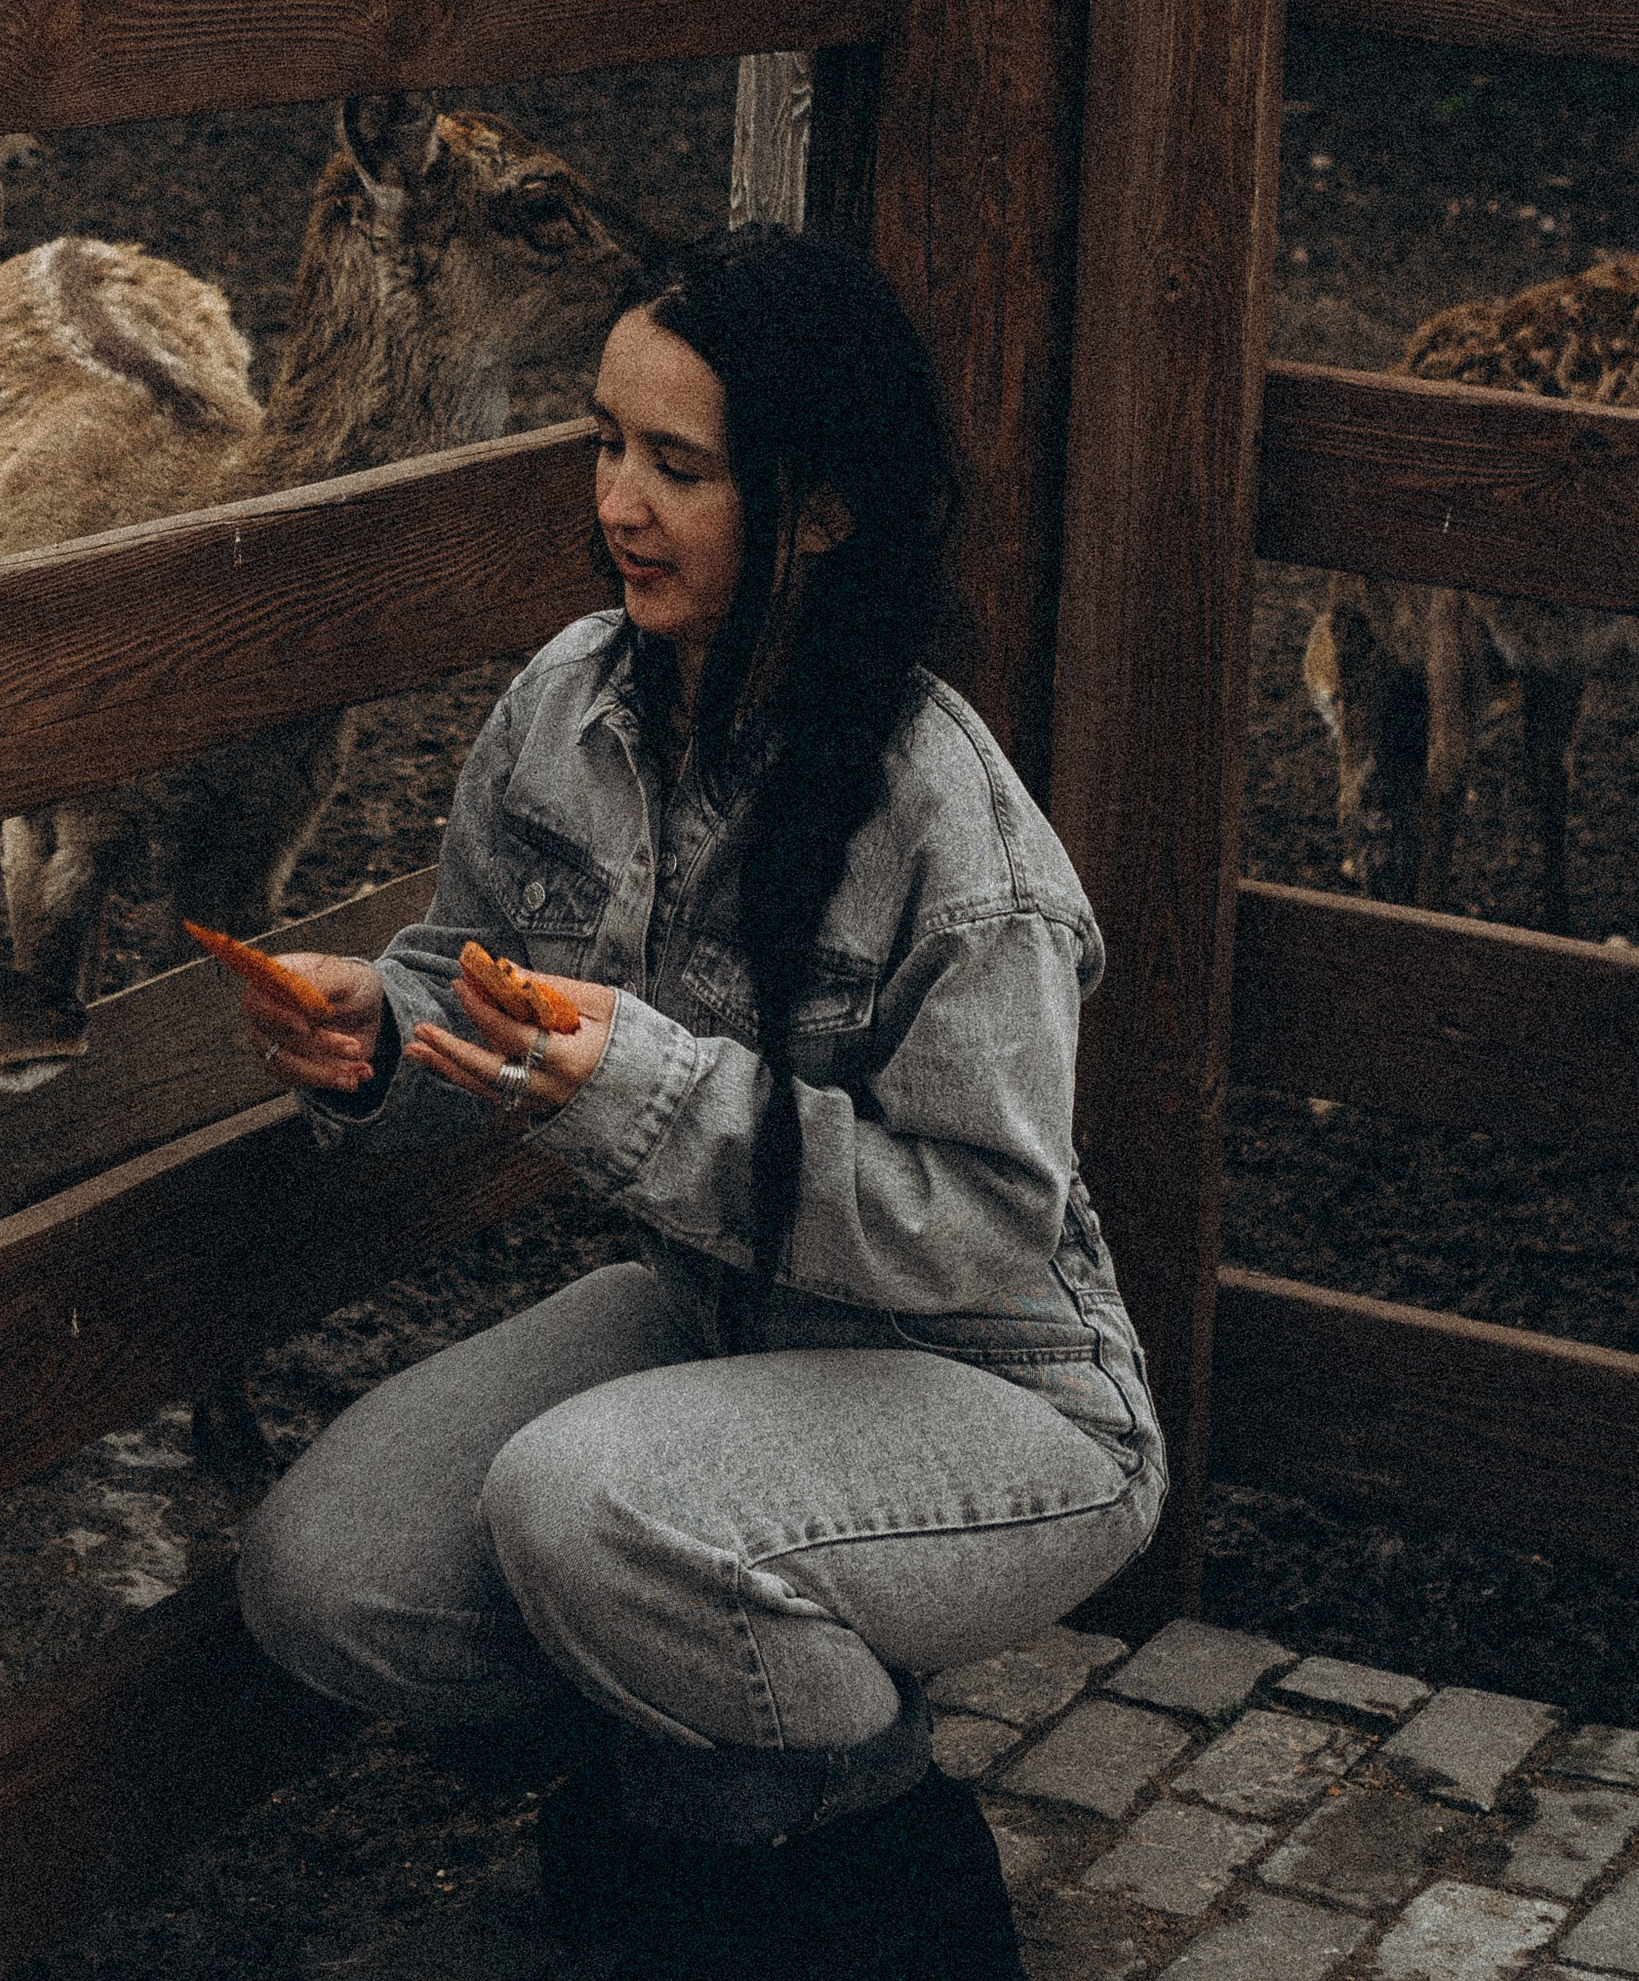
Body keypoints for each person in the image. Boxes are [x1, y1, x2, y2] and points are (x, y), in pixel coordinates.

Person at [213, 224, 1165, 1981]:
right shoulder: (568, 707)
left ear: (819, 509)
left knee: (588, 1506)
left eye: (680, 464)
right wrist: (377, 1032)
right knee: (328, 1575)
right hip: (717, 1317)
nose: (619, 503)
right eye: (604, 444)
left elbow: (980, 1224)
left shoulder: (948, 827)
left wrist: (646, 1093)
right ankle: (700, 1787)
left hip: (1001, 1387)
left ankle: (866, 1888)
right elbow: (467, 975)